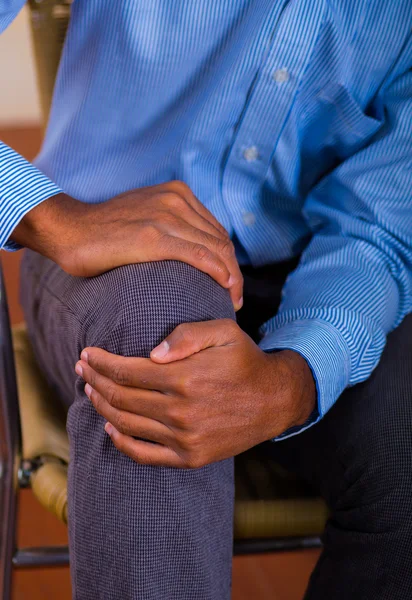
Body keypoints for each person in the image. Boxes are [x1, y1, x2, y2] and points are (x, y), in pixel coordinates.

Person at [1, 2, 412, 598]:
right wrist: (53, 218)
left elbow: (381, 230)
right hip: (99, 261)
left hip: (319, 272)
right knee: (160, 338)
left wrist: (294, 380)